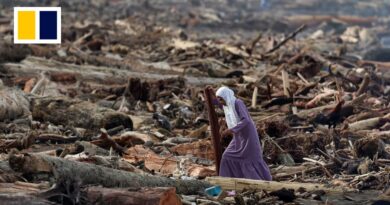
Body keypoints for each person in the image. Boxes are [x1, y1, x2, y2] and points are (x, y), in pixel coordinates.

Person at [209, 86, 272, 181]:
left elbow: (246, 120)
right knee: (227, 156)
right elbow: (217, 103)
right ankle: (229, 183)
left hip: (248, 135)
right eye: (219, 99)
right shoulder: (227, 105)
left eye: (221, 99)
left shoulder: (238, 103)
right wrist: (209, 94)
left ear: (226, 97)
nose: (221, 102)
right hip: (238, 136)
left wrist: (231, 130)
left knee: (250, 159)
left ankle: (258, 183)